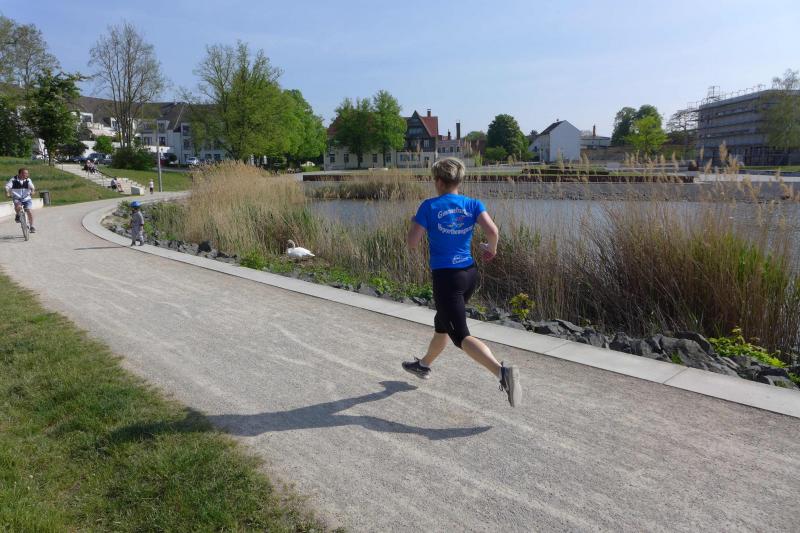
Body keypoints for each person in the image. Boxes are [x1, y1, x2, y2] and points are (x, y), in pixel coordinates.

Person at [402, 157, 521, 407]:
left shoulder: (429, 206)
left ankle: (502, 372)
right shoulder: (472, 204)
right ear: (458, 180)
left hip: (447, 278)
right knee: (442, 323)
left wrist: (416, 223)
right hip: (469, 274)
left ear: (439, 181)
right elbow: (493, 231)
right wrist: (491, 249)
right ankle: (423, 365)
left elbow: (412, 242)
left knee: (460, 335)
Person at [5, 168, 36, 233]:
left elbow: (32, 187)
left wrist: (32, 191)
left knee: (29, 211)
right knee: (18, 207)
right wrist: (7, 193)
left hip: (26, 198)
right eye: (25, 173)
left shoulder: (28, 180)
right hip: (17, 198)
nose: (27, 175)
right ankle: (18, 214)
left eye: (27, 173)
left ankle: (32, 226)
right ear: (20, 173)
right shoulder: (13, 179)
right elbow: (7, 187)